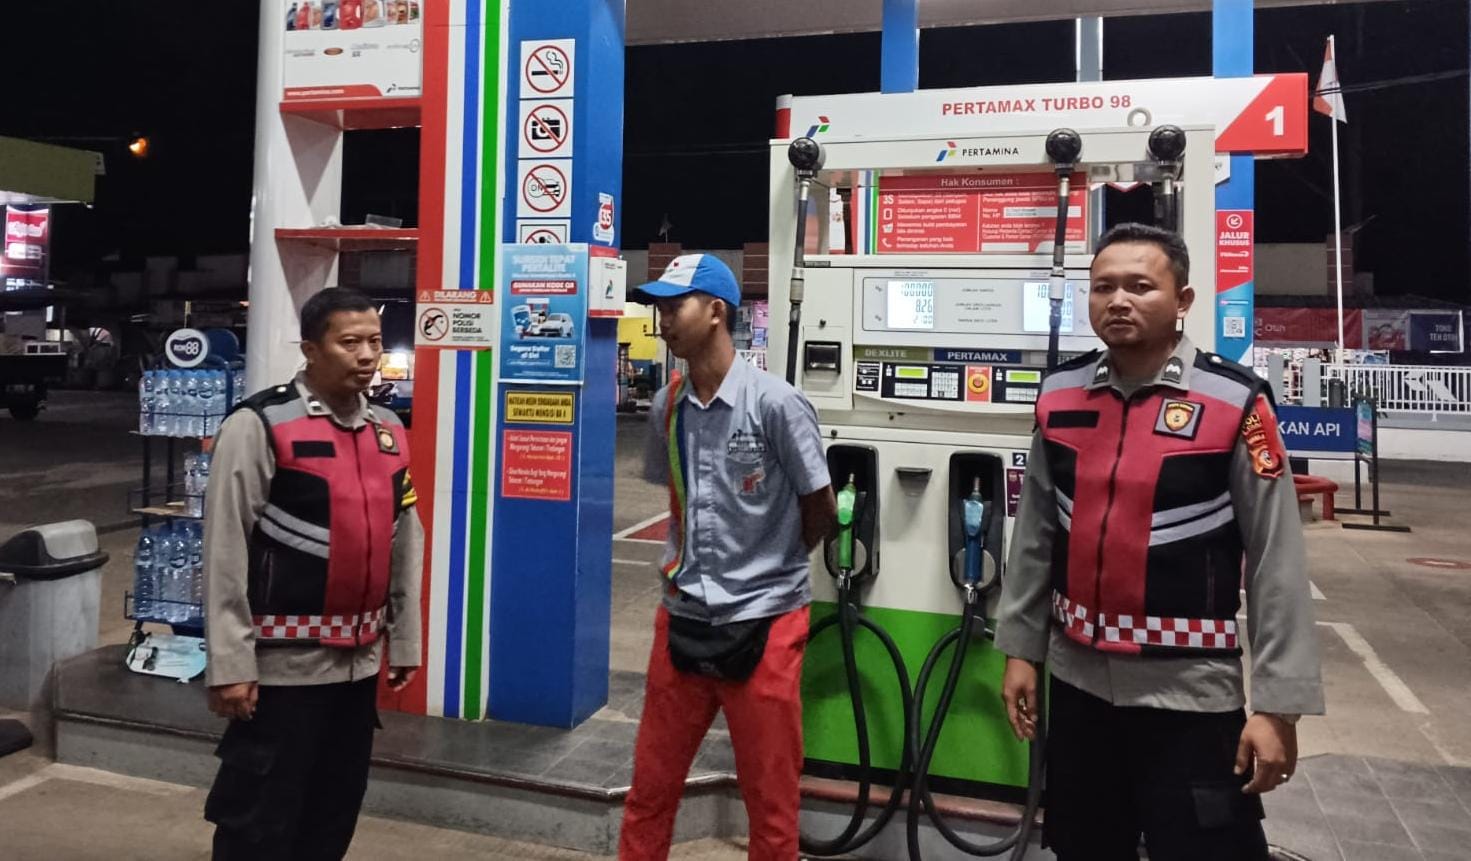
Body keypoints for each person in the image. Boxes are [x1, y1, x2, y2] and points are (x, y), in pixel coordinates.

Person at [995, 223, 1324, 861]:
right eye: (1103, 287)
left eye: (1140, 287)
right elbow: (1034, 534)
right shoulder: (1059, 396)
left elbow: (1276, 560)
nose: (1118, 301)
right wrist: (1021, 651)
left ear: (1183, 300)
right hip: (1079, 691)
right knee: (1084, 848)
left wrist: (1279, 707)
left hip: (1191, 698)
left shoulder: (1235, 403)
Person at [619, 255, 835, 860]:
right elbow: (677, 500)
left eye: (674, 306)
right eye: (659, 307)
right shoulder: (666, 406)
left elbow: (820, 507)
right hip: (682, 622)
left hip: (766, 626)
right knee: (650, 792)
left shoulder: (777, 404)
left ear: (716, 311)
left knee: (771, 808)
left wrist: (773, 568)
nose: (663, 319)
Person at [202, 287, 423, 859]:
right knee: (259, 826)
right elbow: (225, 546)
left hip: (356, 674)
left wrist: (404, 639)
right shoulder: (260, 424)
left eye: (374, 342)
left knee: (331, 818)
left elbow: (405, 535)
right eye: (349, 343)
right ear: (310, 349)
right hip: (281, 677)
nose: (367, 356)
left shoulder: (387, 429)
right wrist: (230, 663)